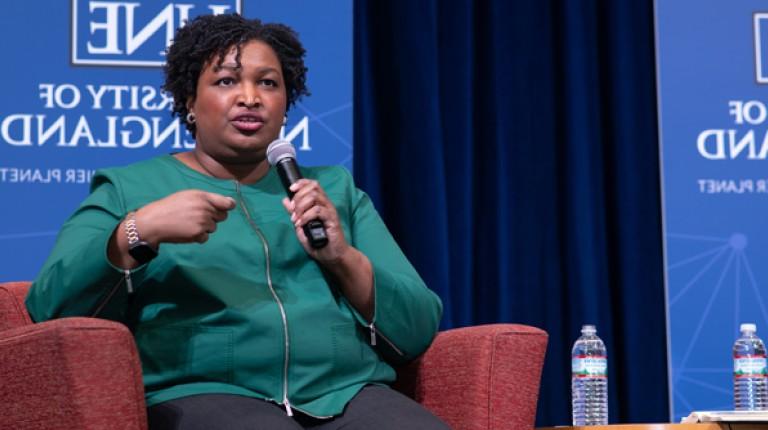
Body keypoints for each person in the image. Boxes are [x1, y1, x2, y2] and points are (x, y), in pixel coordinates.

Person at [26, 13, 447, 430]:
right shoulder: (131, 187)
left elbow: (417, 326)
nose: (250, 97)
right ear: (189, 100)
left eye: (268, 83)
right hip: (201, 393)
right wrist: (140, 231)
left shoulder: (332, 189)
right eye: (226, 81)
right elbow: (51, 306)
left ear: (287, 102)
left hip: (344, 392)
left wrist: (342, 257)